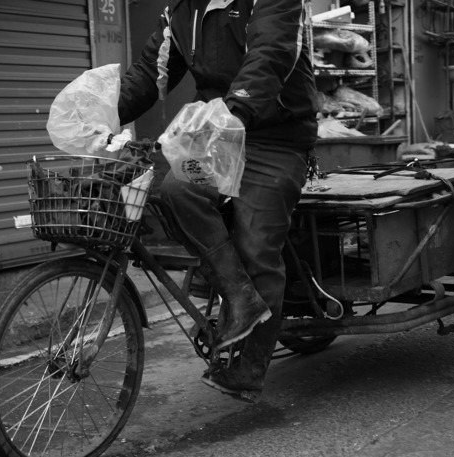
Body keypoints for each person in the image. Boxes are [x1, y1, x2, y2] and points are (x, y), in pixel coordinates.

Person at [117, 0, 319, 402]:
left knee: (257, 247)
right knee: (174, 189)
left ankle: (251, 366)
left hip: (274, 137)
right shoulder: (181, 10)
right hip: (216, 135)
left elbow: (271, 53)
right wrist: (100, 113)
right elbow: (148, 74)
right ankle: (240, 296)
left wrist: (236, 111)